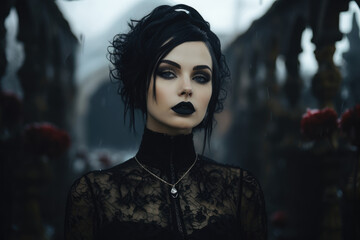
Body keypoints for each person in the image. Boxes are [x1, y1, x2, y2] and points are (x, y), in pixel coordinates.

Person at [64, 4, 267, 240]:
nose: (187, 88)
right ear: (141, 82)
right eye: (168, 73)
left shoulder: (241, 191)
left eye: (201, 77)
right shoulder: (93, 195)